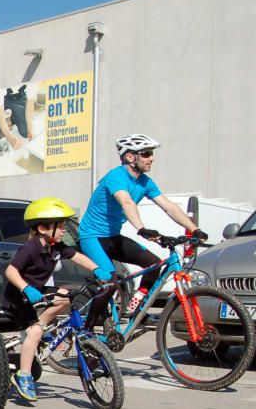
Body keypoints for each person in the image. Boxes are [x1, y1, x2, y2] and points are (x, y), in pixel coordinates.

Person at [79, 134, 206, 325]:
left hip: (112, 236)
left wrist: (195, 229)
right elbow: (126, 202)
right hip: (92, 237)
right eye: (146, 154)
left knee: (154, 264)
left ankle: (136, 311)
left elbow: (169, 206)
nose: (151, 158)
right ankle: (87, 330)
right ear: (130, 157)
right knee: (109, 283)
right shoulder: (116, 176)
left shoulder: (145, 182)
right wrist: (142, 229)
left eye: (151, 154)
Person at [2, 198, 105, 401]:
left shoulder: (55, 247)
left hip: (38, 292)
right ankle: (23, 376)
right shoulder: (30, 248)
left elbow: (77, 257)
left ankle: (37, 329)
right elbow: (10, 271)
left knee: (65, 297)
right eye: (61, 226)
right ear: (42, 228)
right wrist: (26, 288)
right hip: (18, 297)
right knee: (36, 331)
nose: (64, 230)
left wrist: (97, 269)